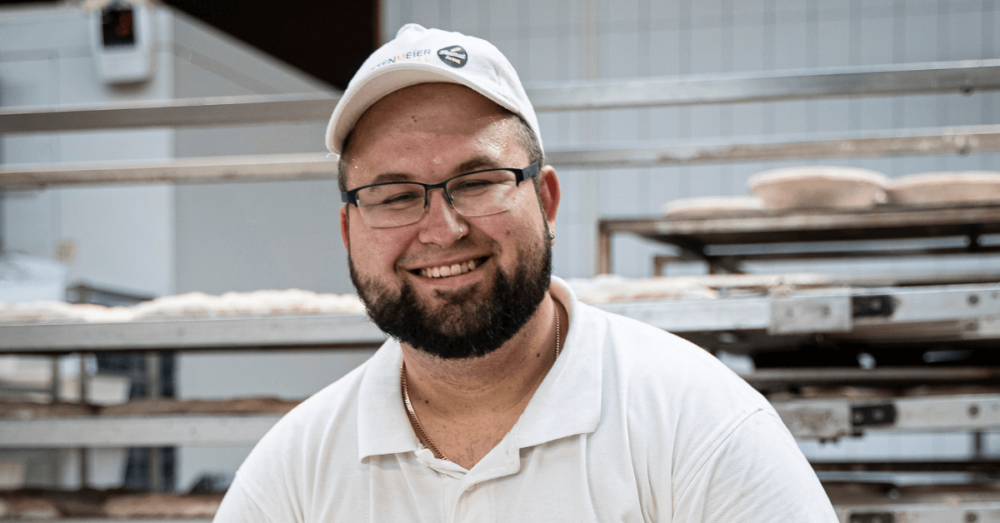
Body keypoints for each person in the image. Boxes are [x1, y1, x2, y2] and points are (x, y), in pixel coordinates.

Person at [214, 24, 838, 522]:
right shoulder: (293, 473)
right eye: (394, 195)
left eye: (478, 182)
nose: (441, 229)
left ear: (546, 202)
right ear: (350, 232)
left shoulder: (698, 427)